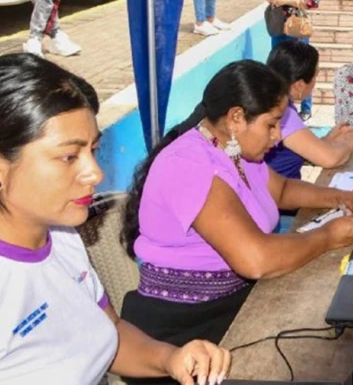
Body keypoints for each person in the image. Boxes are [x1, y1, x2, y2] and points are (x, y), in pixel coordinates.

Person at [0, 53, 230, 384]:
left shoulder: (64, 236)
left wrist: (171, 357)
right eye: (68, 156)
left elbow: (110, 334)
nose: (95, 173)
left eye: (92, 151)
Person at [119, 61, 353, 354]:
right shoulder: (191, 164)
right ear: (236, 117)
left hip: (233, 302)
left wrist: (338, 197)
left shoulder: (232, 151)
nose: (277, 136)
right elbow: (255, 260)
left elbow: (283, 190)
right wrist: (327, 237)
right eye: (271, 124)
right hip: (185, 330)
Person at [265, 41, 353, 232]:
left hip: (281, 197)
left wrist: (326, 142)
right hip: (278, 211)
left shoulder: (276, 105)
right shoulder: (282, 114)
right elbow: (329, 159)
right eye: (316, 76)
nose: (275, 135)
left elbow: (294, 150)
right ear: (300, 85)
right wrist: (350, 144)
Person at [266, 0, 319, 121]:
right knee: (277, 66)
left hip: (295, 25)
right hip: (277, 24)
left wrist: (287, 0)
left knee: (301, 66)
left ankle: (305, 107)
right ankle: (281, 105)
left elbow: (312, 2)